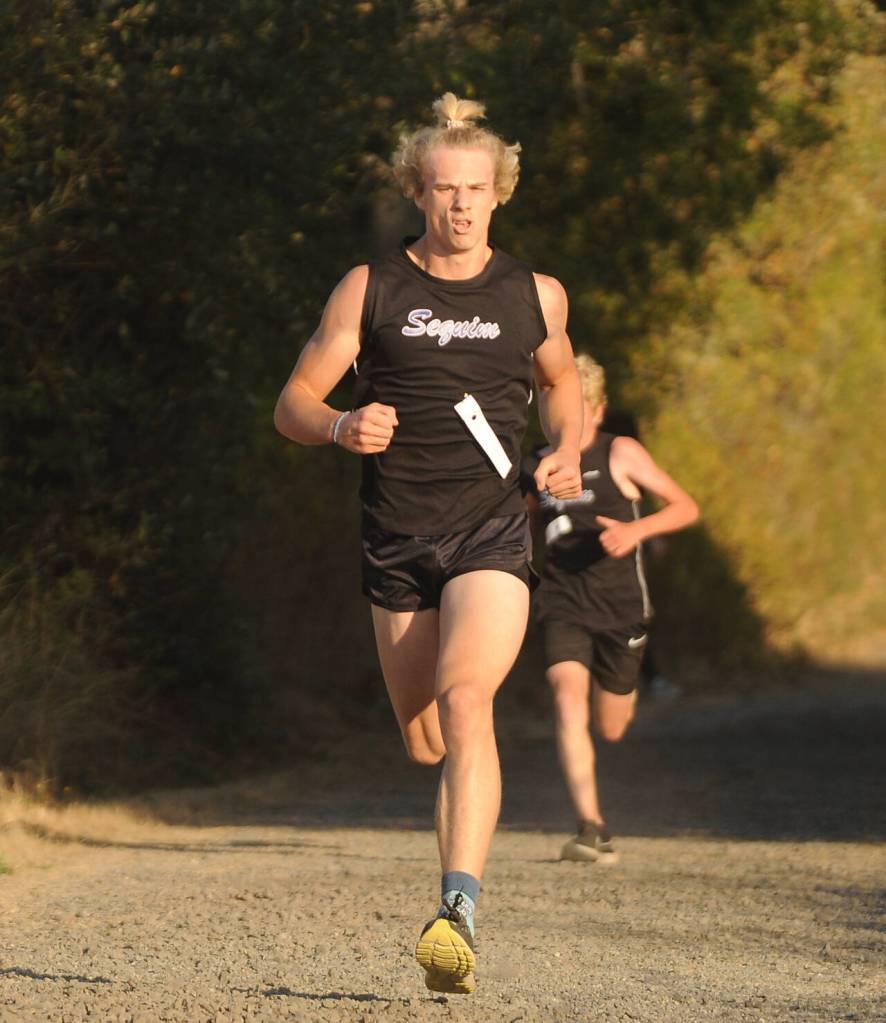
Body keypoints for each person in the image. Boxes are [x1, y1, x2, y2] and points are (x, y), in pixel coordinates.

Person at [273, 93, 583, 995]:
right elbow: (293, 401)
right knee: (423, 741)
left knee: (466, 699)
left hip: (490, 530)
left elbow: (563, 384)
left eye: (476, 190)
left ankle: (458, 911)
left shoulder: (536, 294)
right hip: (396, 538)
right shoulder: (371, 289)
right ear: (418, 190)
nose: (460, 205)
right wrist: (339, 428)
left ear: (500, 193)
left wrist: (565, 446)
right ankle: (458, 824)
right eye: (444, 188)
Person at [524, 354, 698, 863]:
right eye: (556, 404)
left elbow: (686, 507)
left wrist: (637, 531)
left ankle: (624, 693)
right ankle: (591, 827)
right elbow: (525, 528)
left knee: (611, 727)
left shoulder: (620, 452)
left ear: (597, 410)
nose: (567, 417)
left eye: (578, 406)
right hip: (562, 602)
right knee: (565, 699)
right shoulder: (538, 462)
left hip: (621, 608)